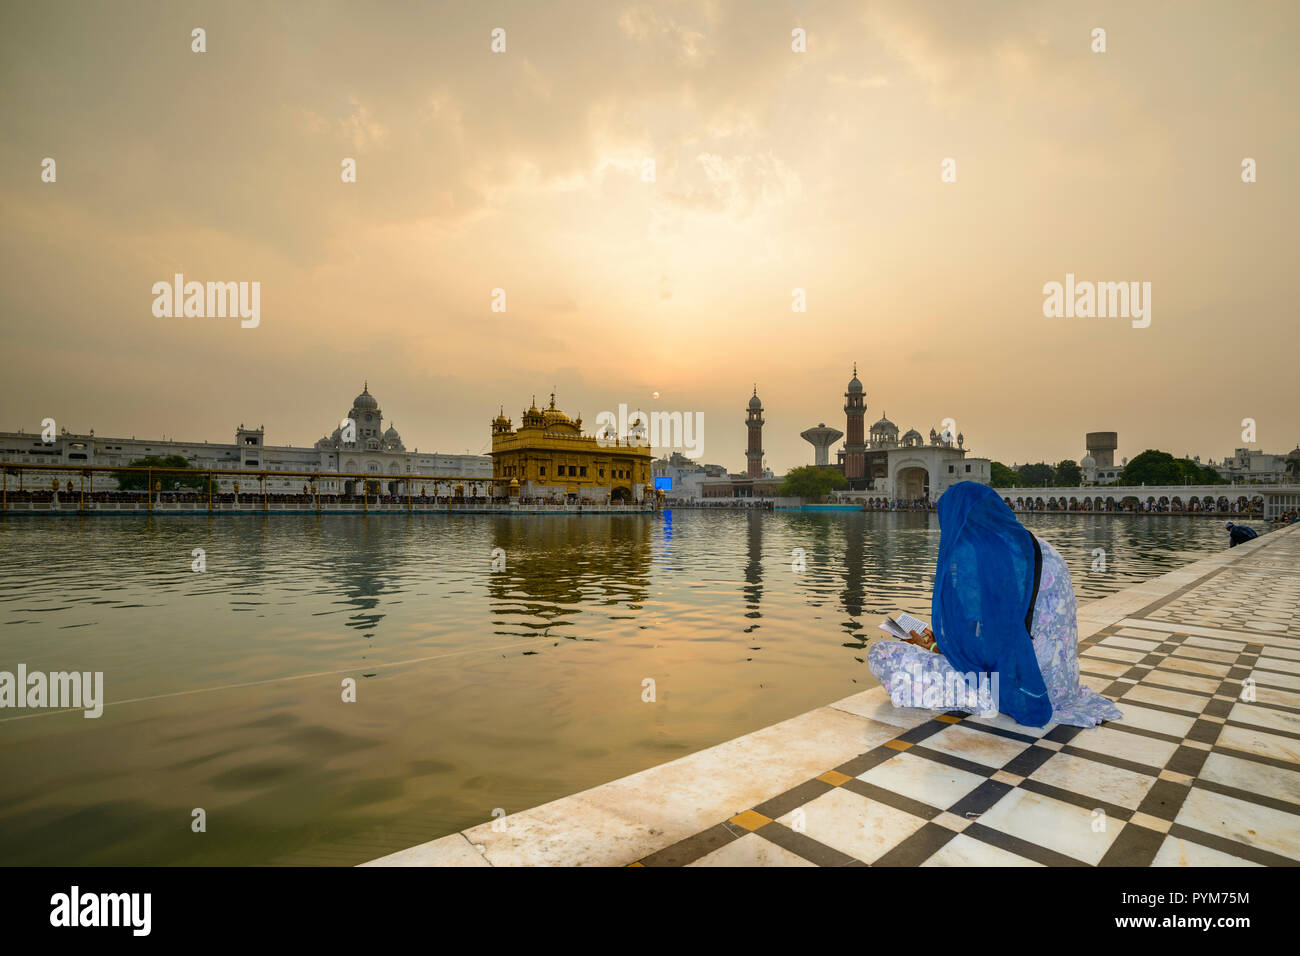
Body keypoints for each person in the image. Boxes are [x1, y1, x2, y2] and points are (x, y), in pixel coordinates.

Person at [868, 481, 1122, 728]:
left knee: (882, 655)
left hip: (1020, 684)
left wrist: (937, 645)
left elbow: (986, 646)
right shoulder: (1041, 547)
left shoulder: (982, 555)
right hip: (1063, 683)